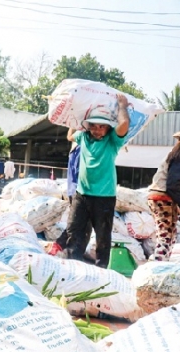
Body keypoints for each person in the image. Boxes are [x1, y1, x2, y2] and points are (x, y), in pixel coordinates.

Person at [65, 94, 130, 268]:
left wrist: (122, 106)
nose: (97, 130)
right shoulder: (84, 137)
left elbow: (123, 125)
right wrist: (75, 113)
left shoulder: (112, 142)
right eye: (93, 126)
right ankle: (74, 267)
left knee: (102, 236)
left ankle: (101, 271)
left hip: (104, 198)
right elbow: (70, 136)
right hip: (81, 195)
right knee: (74, 231)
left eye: (102, 126)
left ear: (109, 128)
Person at [147, 128, 180, 261]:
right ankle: (159, 266)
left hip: (160, 197)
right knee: (166, 235)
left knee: (169, 234)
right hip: (163, 197)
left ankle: (162, 263)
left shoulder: (177, 155)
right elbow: (173, 184)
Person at [46, 139, 91, 256]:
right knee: (80, 228)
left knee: (79, 225)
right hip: (82, 192)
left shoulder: (76, 149)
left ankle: (62, 246)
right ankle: (63, 247)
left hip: (76, 191)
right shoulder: (83, 150)